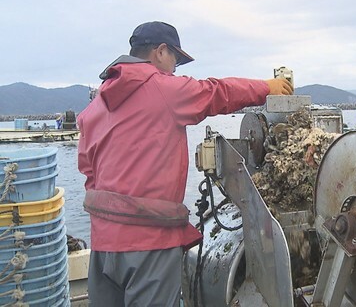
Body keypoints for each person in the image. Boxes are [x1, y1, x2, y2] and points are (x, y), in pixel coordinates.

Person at [77, 21, 293, 306]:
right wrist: (268, 87)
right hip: (150, 241)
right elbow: (218, 93)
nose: (176, 67)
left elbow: (87, 169)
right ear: (160, 51)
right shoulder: (163, 89)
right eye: (175, 59)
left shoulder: (96, 106)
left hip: (104, 244)